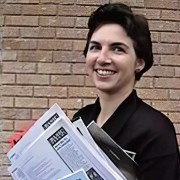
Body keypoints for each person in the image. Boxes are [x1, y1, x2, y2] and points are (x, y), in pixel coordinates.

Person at [73, 2, 180, 180]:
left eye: (117, 49)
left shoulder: (156, 131)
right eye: (95, 47)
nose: (102, 58)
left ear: (139, 62)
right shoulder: (81, 119)